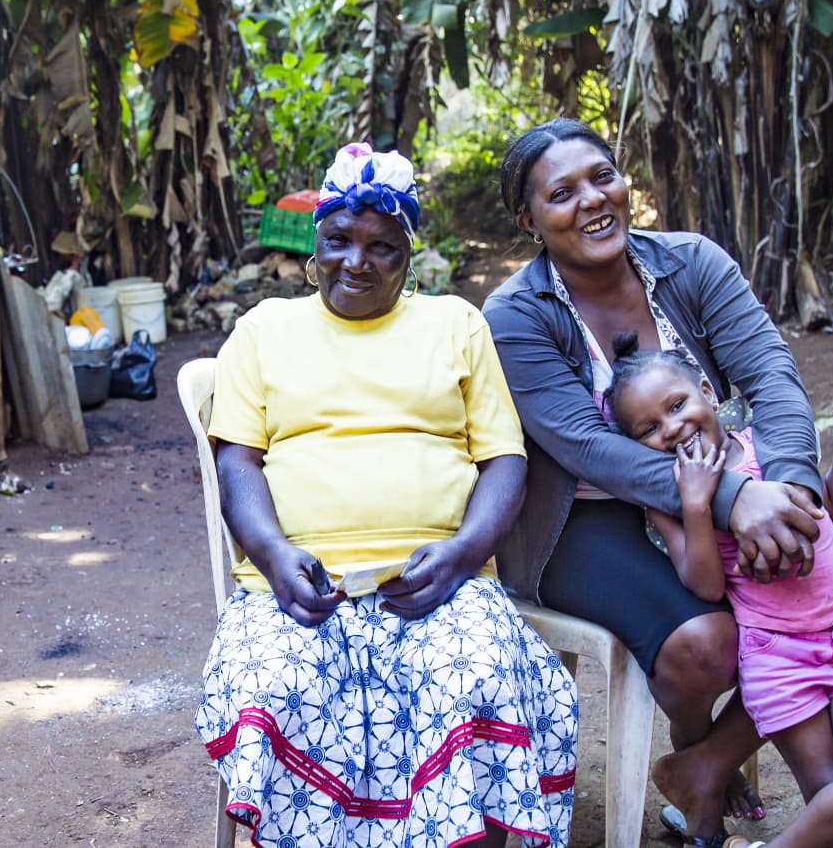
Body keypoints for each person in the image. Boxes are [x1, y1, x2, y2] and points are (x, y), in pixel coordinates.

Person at [480, 118, 833, 845]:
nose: (592, 200)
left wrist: (789, 487)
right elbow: (590, 449)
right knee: (707, 643)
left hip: (717, 484)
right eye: (562, 193)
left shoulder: (690, 262)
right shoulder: (515, 317)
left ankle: (704, 765)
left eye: (602, 176)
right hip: (581, 515)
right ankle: (703, 758)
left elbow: (772, 375)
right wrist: (736, 499)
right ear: (529, 220)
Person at [195, 143, 580, 848]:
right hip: (294, 586)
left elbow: (503, 461)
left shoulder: (455, 325)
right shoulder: (262, 332)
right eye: (338, 241)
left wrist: (465, 553)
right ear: (316, 242)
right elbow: (238, 465)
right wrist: (277, 556)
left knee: (479, 672)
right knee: (276, 683)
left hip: (440, 582)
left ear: (410, 256)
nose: (356, 262)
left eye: (382, 248)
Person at [605, 334, 833, 847]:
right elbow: (704, 584)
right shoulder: (673, 496)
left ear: (708, 390)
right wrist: (700, 506)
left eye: (678, 405)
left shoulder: (766, 447)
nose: (673, 428)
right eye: (650, 429)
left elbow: (832, 505)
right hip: (779, 660)